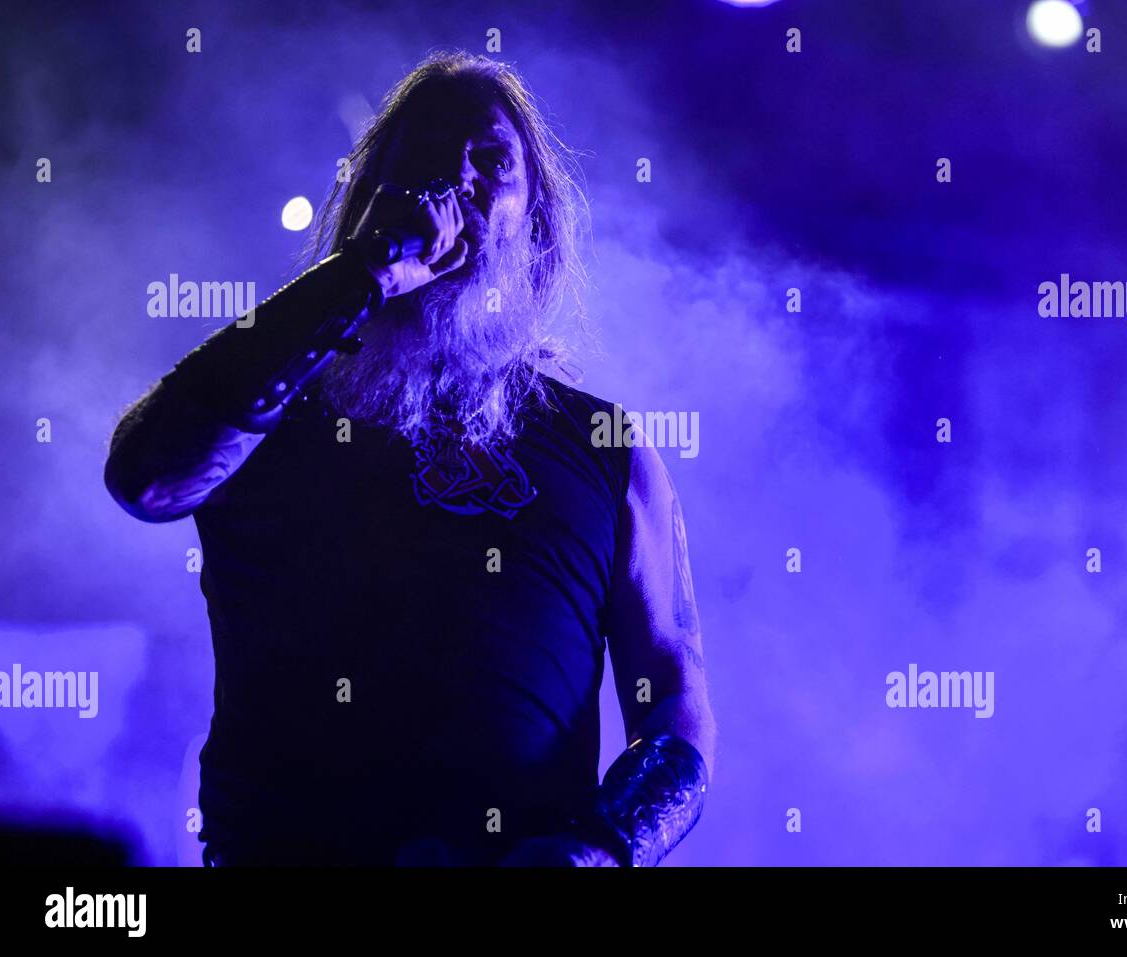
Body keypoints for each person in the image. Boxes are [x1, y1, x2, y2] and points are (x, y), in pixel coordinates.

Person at [103, 51, 716, 866]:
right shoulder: (274, 403)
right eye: (424, 154)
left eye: (490, 161)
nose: (454, 182)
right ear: (368, 200)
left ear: (535, 225)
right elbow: (147, 477)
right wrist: (359, 274)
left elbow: (673, 698)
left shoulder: (609, 448)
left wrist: (601, 849)